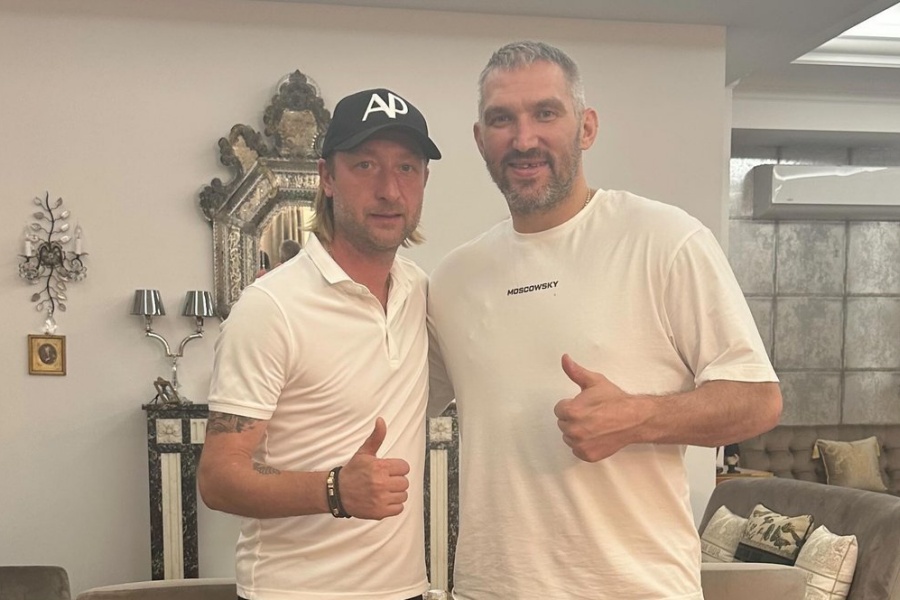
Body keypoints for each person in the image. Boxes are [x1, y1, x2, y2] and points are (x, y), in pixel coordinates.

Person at [427, 41, 782, 599]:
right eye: (502, 119)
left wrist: (639, 417)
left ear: (586, 127)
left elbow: (759, 399)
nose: (524, 139)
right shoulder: (453, 278)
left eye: (546, 113)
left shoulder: (665, 240)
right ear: (479, 139)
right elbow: (395, 404)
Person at [198, 87, 441, 600]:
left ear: (424, 181)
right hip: (295, 593)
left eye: (406, 168)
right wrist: (334, 490)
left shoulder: (419, 291)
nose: (389, 190)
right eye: (365, 165)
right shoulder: (271, 307)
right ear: (327, 177)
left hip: (403, 590)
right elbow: (218, 478)